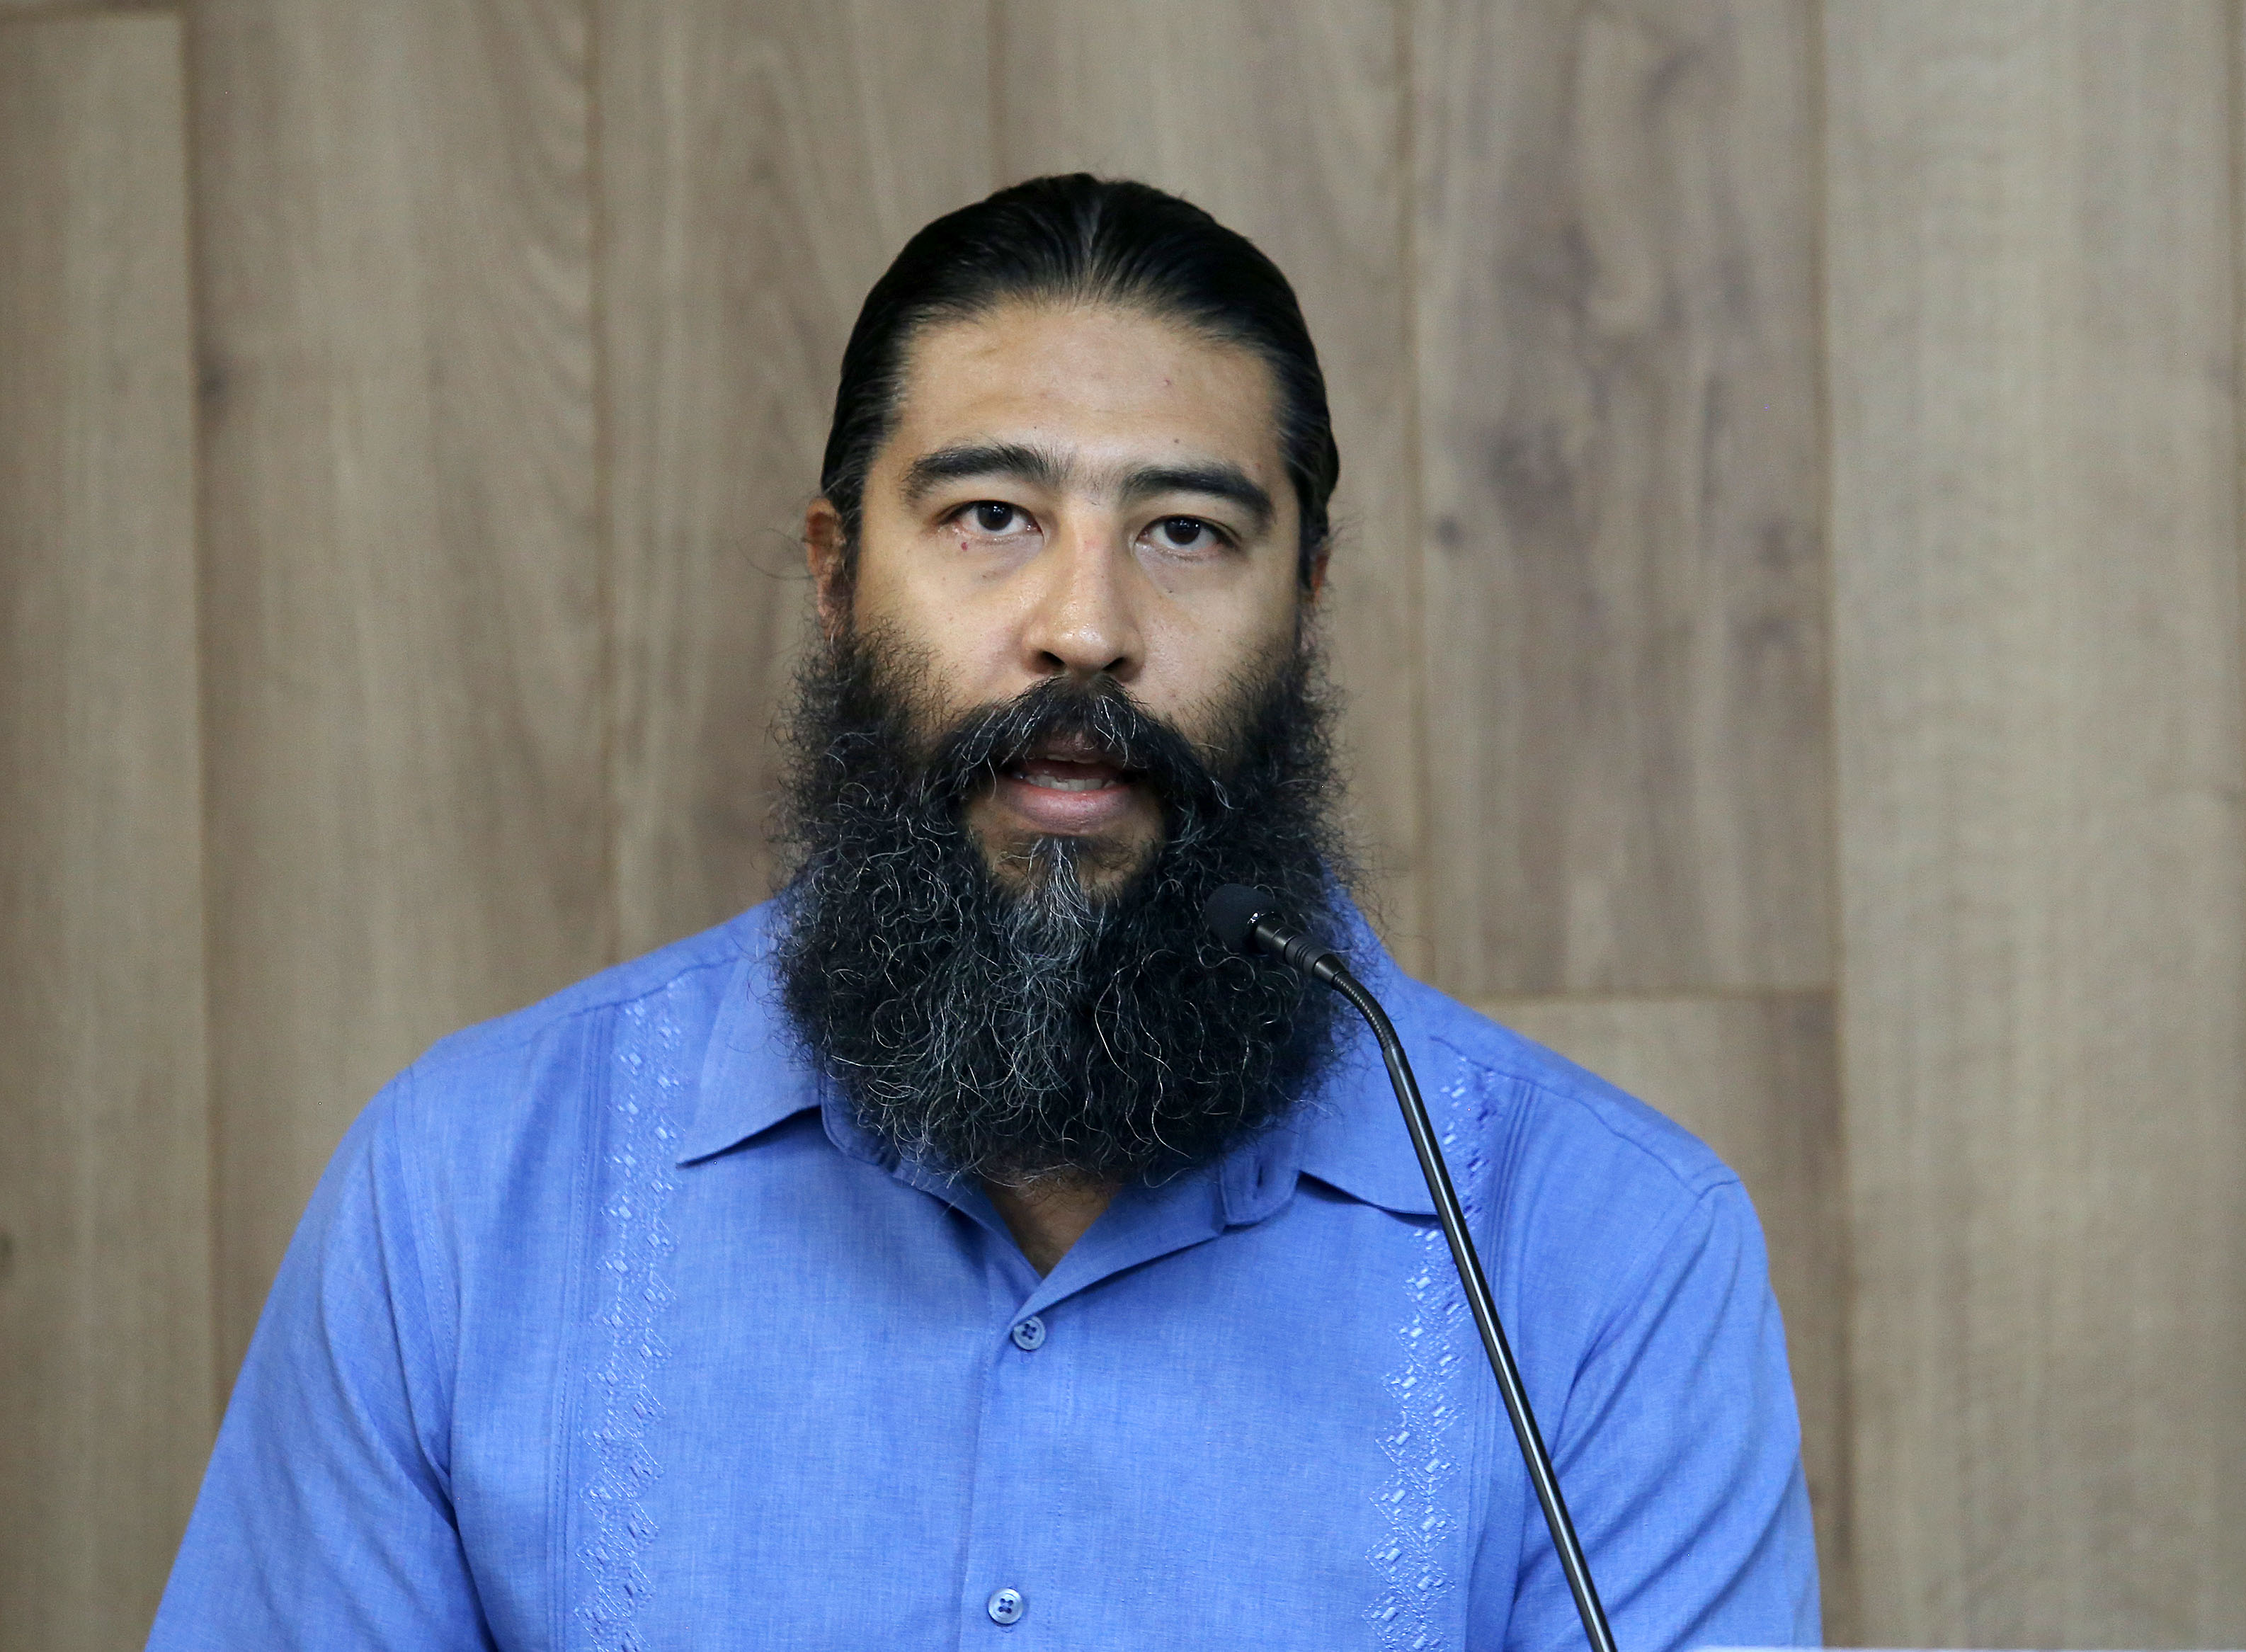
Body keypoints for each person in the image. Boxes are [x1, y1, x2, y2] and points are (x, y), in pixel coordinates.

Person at [148, 175, 1819, 1651]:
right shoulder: (462, 1200)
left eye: (1184, 532)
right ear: (833, 574)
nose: (1083, 626)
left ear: (1303, 602)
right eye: (990, 518)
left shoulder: (1609, 1252)